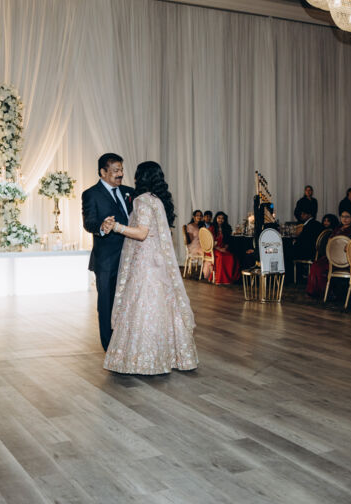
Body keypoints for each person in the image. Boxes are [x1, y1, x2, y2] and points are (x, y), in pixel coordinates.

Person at [103, 161, 198, 375]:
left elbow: (142, 233)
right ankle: (171, 355)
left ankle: (144, 358)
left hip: (145, 262)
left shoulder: (142, 200)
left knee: (142, 304)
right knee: (161, 304)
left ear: (141, 177)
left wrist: (116, 226)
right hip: (159, 260)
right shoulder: (158, 200)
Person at [82, 153, 134, 351]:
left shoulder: (130, 192)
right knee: (107, 302)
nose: (120, 174)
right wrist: (102, 227)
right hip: (106, 259)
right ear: (103, 172)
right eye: (115, 170)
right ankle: (109, 346)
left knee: (129, 300)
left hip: (131, 256)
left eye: (121, 170)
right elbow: (89, 222)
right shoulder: (91, 194)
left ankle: (127, 341)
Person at [307, 209, 351, 298]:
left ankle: (330, 292)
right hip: (333, 257)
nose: (344, 219)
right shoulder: (338, 229)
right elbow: (330, 242)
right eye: (342, 216)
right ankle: (319, 292)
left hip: (348, 259)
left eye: (347, 217)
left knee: (322, 267)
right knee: (316, 265)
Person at [210, 211, 240, 284]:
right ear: (216, 218)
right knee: (221, 256)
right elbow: (209, 242)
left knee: (231, 256)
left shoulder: (227, 228)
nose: (220, 220)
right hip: (213, 249)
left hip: (222, 248)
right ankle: (219, 279)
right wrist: (220, 249)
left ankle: (229, 278)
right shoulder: (212, 228)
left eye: (222, 218)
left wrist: (225, 248)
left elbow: (228, 240)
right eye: (219, 218)